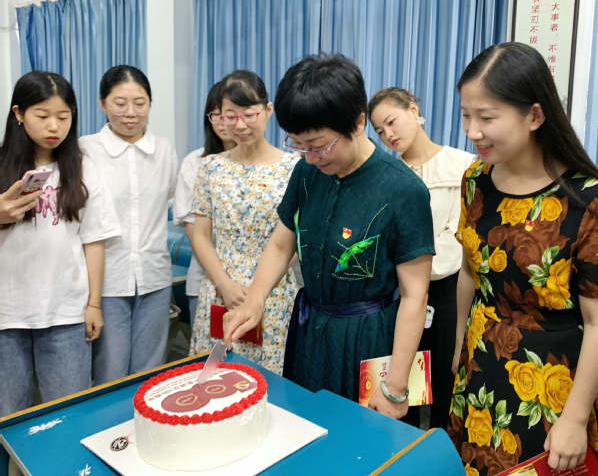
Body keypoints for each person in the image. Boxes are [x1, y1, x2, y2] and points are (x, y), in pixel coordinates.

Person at [223, 54, 436, 419]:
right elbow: (282, 242)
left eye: (319, 145)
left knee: (364, 440)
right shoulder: (307, 174)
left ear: (358, 122)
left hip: (372, 341)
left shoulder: (403, 189)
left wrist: (396, 386)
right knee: (304, 426)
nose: (310, 158)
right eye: (298, 145)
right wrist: (254, 299)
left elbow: (415, 295)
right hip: (311, 331)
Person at [448, 42, 598, 474]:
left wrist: (575, 419)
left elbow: (596, 322)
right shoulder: (476, 180)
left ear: (534, 116)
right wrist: (459, 345)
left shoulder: (585, 201)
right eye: (466, 115)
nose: (472, 131)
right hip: (480, 370)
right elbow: (470, 270)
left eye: (486, 117)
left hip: (553, 384)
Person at [0, 71, 120, 416]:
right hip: (6, 317)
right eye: (42, 116)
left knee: (69, 415)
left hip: (65, 314)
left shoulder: (82, 168)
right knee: (9, 417)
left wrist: (93, 304)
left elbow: (93, 240)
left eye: (63, 117)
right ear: (19, 113)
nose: (54, 126)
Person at [368, 87, 475, 429]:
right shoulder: (387, 175)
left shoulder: (462, 165)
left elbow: (460, 239)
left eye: (391, 122)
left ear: (413, 110)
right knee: (404, 386)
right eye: (380, 131)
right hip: (401, 297)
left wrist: (407, 264)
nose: (388, 135)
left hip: (449, 293)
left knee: (445, 382)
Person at [188, 70, 299, 374]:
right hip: (220, 289)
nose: (239, 125)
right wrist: (224, 284)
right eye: (230, 116)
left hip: (273, 292)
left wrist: (259, 288)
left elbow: (297, 239)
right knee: (216, 377)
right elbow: (200, 235)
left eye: (249, 115)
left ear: (268, 110)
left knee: (269, 380)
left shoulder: (294, 168)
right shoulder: (211, 167)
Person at [79, 65, 178, 384]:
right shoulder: (85, 149)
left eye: (140, 103)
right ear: (102, 103)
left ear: (150, 103)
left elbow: (174, 201)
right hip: (106, 281)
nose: (130, 113)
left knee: (151, 371)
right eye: (120, 103)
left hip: (155, 277)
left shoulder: (164, 149)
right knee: (110, 372)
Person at [173, 80, 236, 326]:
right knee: (211, 349)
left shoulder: (271, 164)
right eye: (216, 115)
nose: (223, 121)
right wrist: (224, 283)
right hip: (206, 281)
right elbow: (195, 233)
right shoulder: (195, 163)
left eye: (230, 114)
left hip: (258, 285)